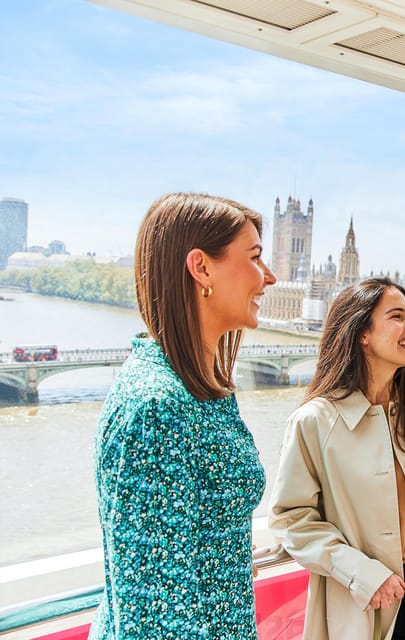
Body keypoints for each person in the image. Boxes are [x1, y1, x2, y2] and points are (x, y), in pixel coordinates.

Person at [90, 192, 277, 638]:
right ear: (202, 268)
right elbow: (156, 617)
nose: (268, 277)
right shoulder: (156, 409)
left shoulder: (198, 390)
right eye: (254, 258)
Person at [268, 277, 405, 640]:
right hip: (358, 610)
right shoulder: (314, 422)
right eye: (397, 316)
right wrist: (361, 573)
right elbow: (291, 519)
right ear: (361, 333)